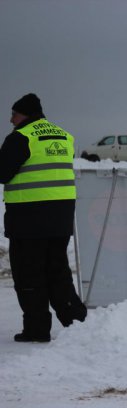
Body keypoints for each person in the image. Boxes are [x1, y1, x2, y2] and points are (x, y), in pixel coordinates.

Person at [0, 93, 86, 342]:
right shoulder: (64, 136)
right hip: (60, 218)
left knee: (30, 275)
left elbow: (3, 173)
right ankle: (77, 322)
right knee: (57, 270)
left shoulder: (21, 137)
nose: (10, 119)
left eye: (14, 114)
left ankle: (36, 330)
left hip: (28, 219)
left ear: (25, 114)